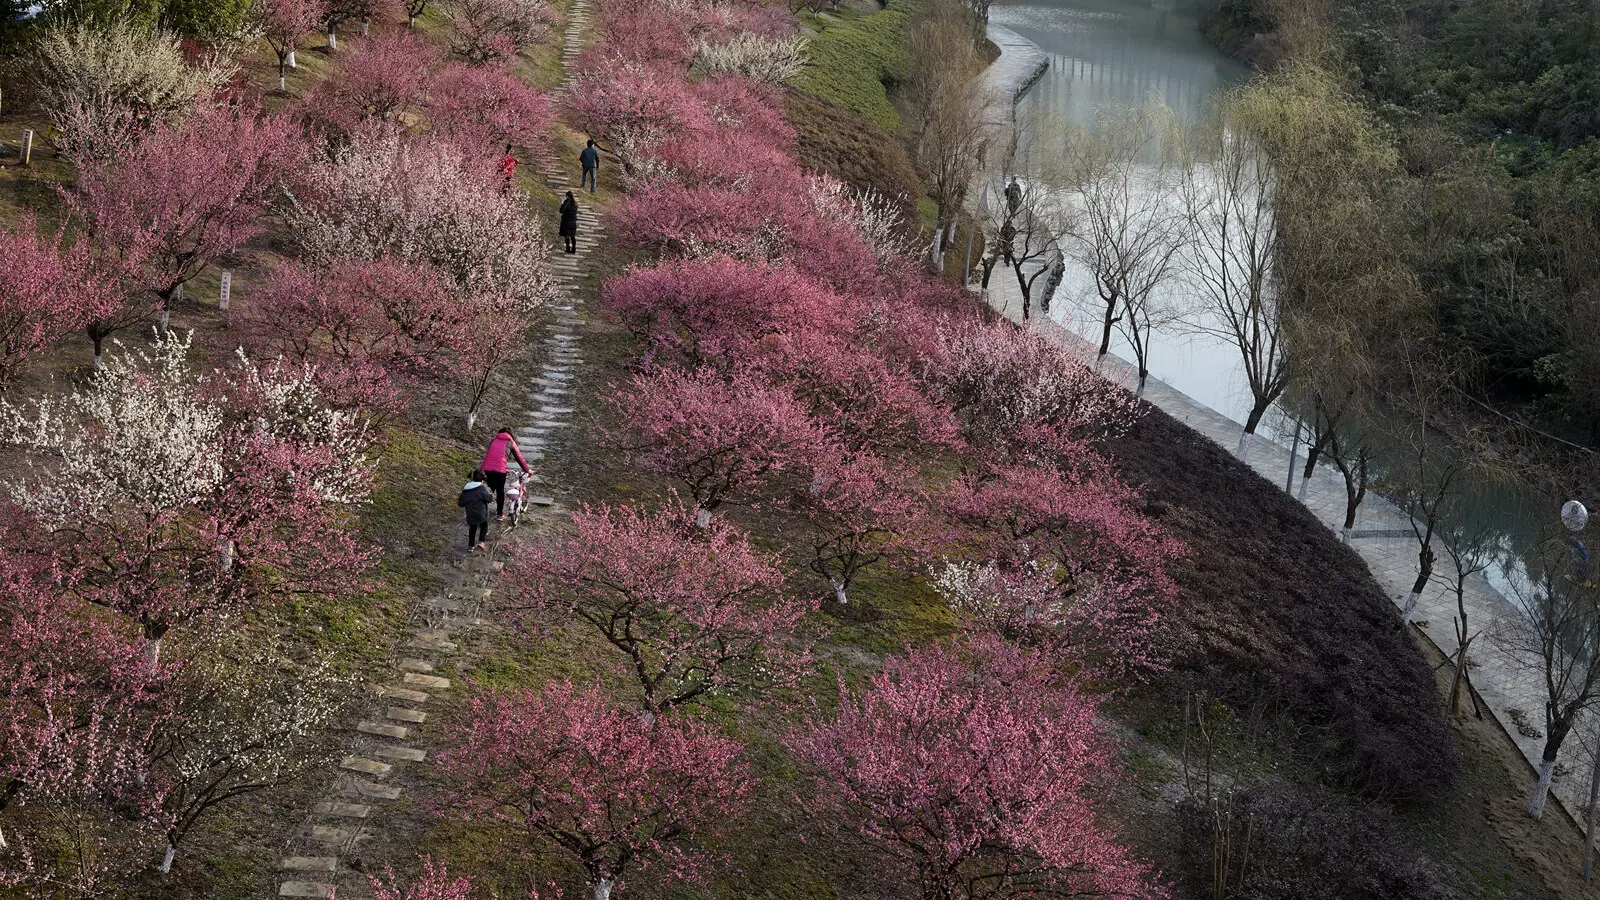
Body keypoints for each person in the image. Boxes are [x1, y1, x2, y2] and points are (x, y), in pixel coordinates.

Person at [480, 426, 531, 520]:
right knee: (500, 491)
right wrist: (527, 470)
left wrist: (482, 469)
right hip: (500, 470)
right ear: (511, 434)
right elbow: (519, 458)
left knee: (490, 489)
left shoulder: (493, 440)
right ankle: (499, 515)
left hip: (486, 468)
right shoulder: (510, 442)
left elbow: (490, 455)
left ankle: (481, 510)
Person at [458, 469, 494, 551]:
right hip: (481, 513)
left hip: (470, 513)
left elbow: (461, 503)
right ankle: (481, 541)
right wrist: (490, 493)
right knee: (484, 525)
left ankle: (471, 546)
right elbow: (489, 499)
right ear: (482, 479)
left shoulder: (466, 489)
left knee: (472, 528)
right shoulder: (482, 488)